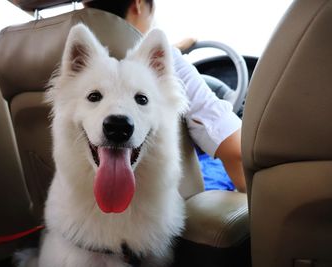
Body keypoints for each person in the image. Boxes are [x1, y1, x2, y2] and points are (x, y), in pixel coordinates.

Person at [83, 0, 247, 193]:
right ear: (139, 4)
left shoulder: (67, 60)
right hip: (178, 208)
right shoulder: (169, 64)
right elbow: (237, 152)